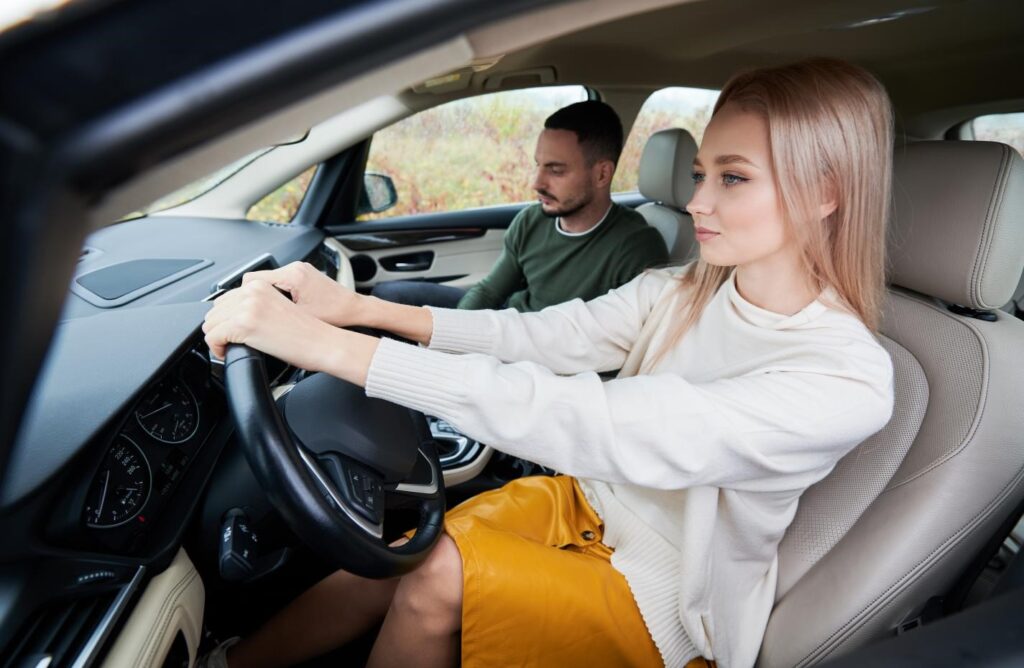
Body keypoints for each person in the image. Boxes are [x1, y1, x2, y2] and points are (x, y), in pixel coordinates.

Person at [201, 58, 896, 668]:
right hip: (588, 502)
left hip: (668, 600)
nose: (697, 202)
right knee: (396, 553)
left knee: (436, 578)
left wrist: (329, 348)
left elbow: (598, 419)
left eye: (733, 177)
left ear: (825, 192)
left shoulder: (846, 380)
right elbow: (542, 335)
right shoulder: (686, 288)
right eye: (700, 174)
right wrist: (358, 311)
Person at [370, 100, 670, 311]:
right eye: (538, 165)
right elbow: (490, 291)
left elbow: (614, 342)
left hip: (538, 357)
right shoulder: (532, 220)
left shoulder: (636, 247)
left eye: (556, 170)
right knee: (388, 295)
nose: (536, 183)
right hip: (508, 322)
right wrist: (453, 335)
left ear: (602, 174)